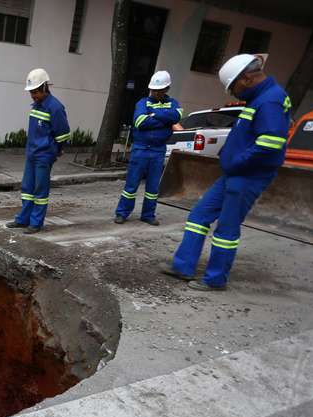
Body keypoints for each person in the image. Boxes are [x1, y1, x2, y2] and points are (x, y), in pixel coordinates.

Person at [162, 54, 290, 291]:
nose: (232, 93)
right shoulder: (259, 98)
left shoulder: (270, 100)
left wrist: (237, 162)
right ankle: (183, 266)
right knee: (199, 216)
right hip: (234, 174)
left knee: (226, 229)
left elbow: (271, 143)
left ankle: (215, 279)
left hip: (248, 175)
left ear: (247, 77)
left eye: (233, 87)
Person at [6, 68, 70, 234]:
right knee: (27, 189)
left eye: (35, 92)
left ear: (44, 88)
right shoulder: (37, 105)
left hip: (44, 155)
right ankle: (23, 219)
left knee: (40, 190)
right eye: (31, 92)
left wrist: (55, 151)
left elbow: (63, 134)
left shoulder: (55, 107)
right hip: (32, 153)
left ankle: (36, 223)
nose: (33, 95)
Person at [114, 71, 182, 226]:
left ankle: (148, 214)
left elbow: (176, 117)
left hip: (158, 151)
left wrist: (154, 114)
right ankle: (122, 213)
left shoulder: (173, 103)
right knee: (131, 185)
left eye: (159, 90)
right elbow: (140, 122)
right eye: (153, 90)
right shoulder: (142, 103)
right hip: (141, 149)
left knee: (152, 187)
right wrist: (165, 119)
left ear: (166, 89)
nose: (155, 93)